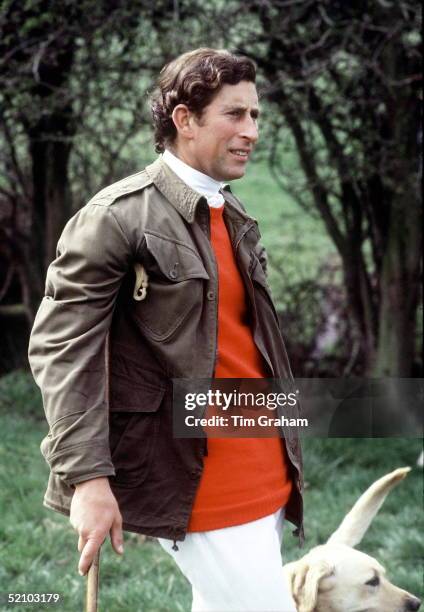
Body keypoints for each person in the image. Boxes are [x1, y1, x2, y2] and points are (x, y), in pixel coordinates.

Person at [28, 48, 303, 611]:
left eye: (256, 115)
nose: (251, 130)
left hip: (265, 468)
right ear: (184, 119)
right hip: (194, 479)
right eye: (235, 114)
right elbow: (61, 350)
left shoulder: (230, 211)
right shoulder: (117, 216)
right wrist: (87, 479)